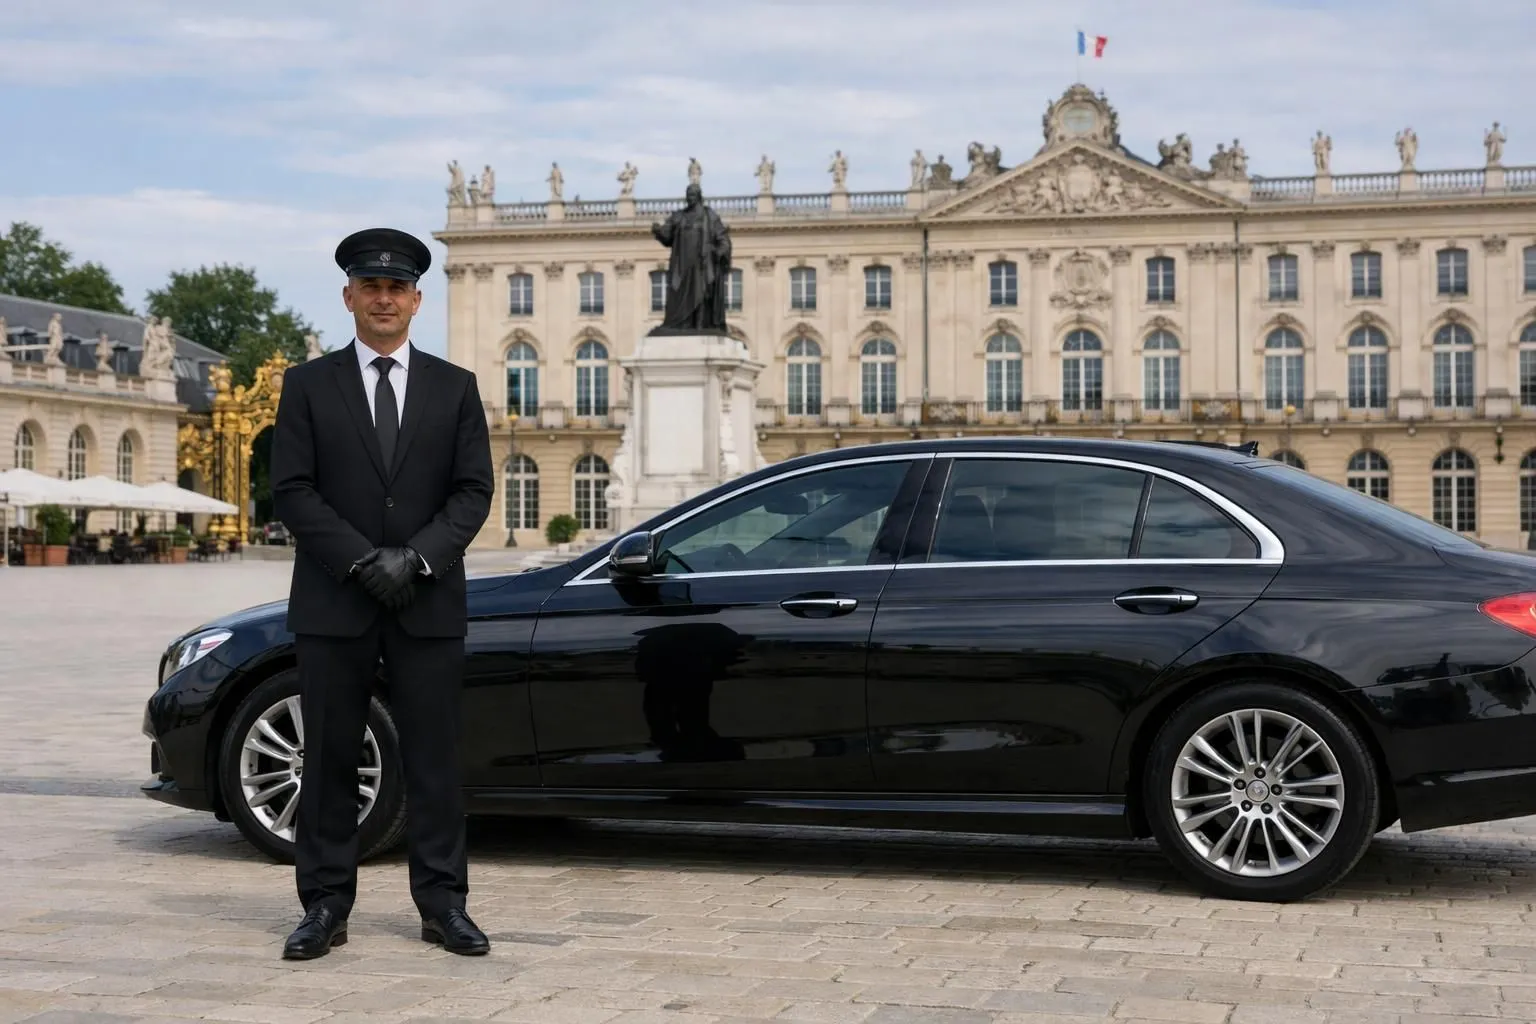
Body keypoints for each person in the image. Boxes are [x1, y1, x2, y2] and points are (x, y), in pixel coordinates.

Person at [270, 227, 494, 960]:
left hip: (427, 601)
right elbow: (293, 491)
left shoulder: (455, 387)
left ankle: (443, 905)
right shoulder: (305, 385)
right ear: (349, 297)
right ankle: (325, 905)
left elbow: (472, 491)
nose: (384, 298)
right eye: (371, 287)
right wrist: (364, 562)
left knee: (433, 760)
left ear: (417, 300)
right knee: (329, 760)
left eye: (397, 288)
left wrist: (418, 560)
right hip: (336, 600)